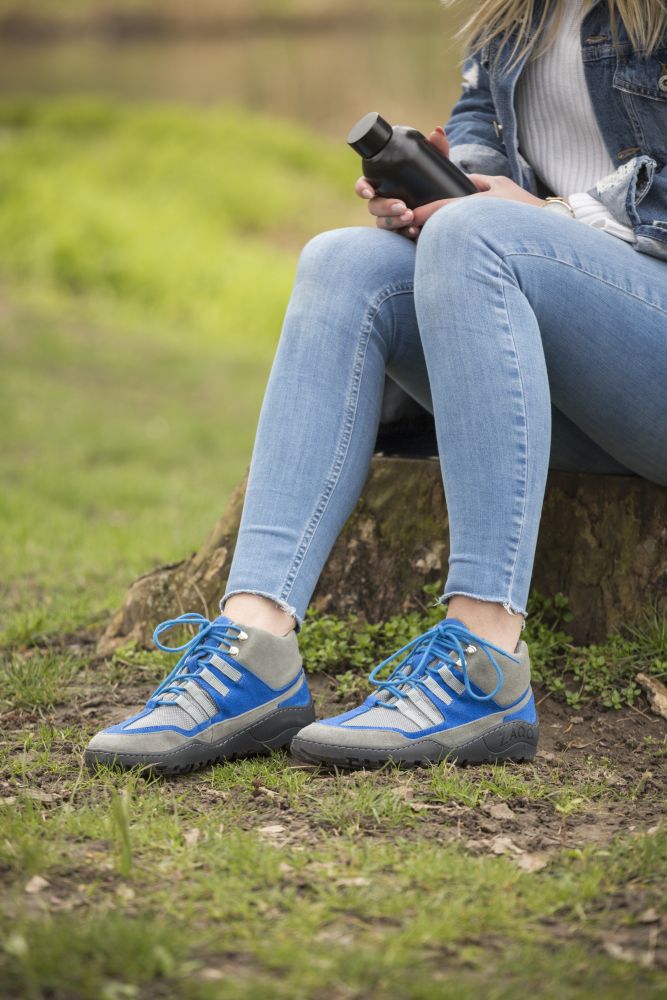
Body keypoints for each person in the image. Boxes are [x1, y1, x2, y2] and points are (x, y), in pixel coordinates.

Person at [85, 0, 667, 775]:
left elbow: (521, 223)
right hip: (574, 366)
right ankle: (255, 648)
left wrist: (543, 217)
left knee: (473, 231)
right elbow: (480, 127)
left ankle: (483, 663)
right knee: (342, 262)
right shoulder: (517, 11)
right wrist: (439, 183)